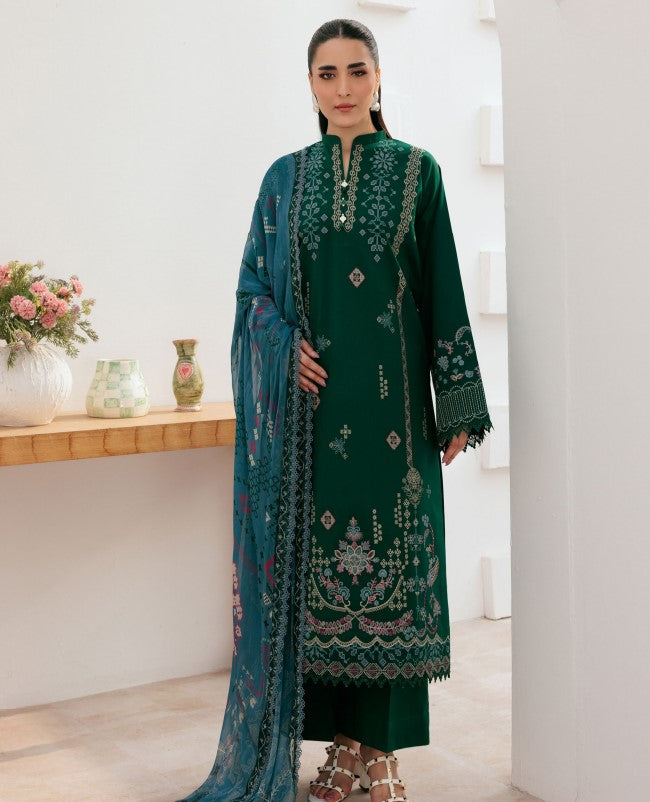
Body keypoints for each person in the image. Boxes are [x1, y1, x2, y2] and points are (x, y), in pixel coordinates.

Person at [176, 17, 493, 802]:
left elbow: (444, 286)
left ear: (378, 78)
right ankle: (343, 753)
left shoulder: (417, 171)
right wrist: (282, 346)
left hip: (394, 422)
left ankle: (380, 756)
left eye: (357, 71)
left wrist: (456, 401)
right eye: (327, 74)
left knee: (394, 581)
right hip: (310, 421)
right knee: (319, 593)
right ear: (310, 85)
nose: (343, 88)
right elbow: (251, 290)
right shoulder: (285, 179)